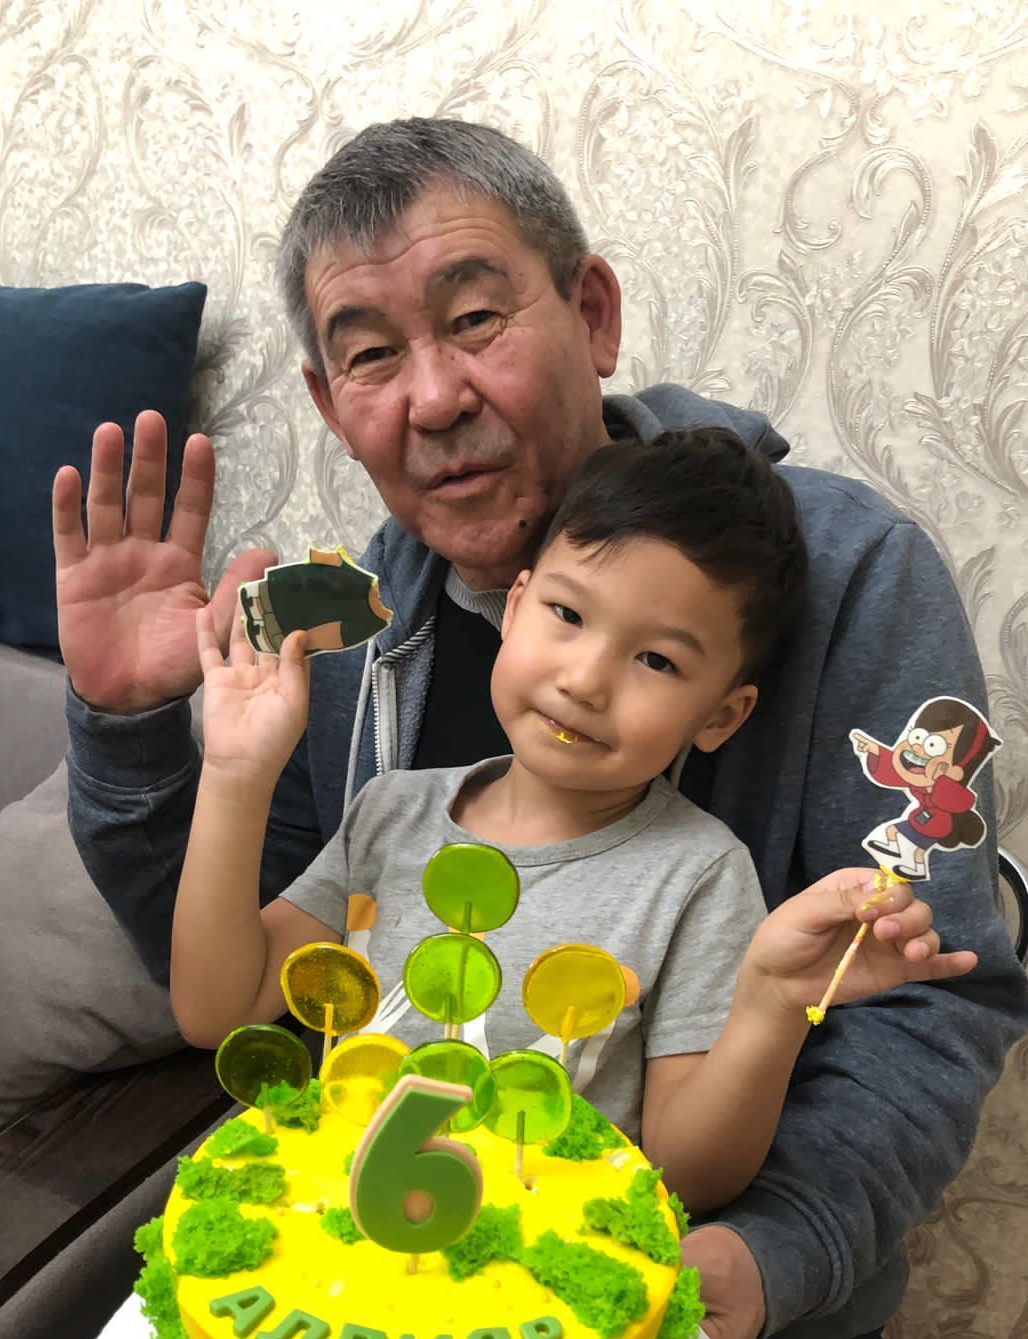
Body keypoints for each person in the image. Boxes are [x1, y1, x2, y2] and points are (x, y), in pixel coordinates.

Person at [0, 118, 1028, 1339]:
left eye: (474, 319)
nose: (434, 398)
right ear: (329, 403)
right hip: (386, 1286)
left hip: (706, 1284)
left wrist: (779, 1251)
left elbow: (931, 994)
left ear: (589, 313)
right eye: (370, 354)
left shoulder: (844, 579)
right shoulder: (346, 621)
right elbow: (234, 972)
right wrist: (144, 731)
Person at [174, 429, 976, 1218]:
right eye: (566, 613)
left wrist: (773, 1005)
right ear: (515, 604)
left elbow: (687, 1175)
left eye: (657, 660)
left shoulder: (698, 875)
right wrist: (235, 777)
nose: (586, 680)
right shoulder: (389, 814)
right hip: (339, 1261)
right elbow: (218, 1009)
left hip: (534, 1282)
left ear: (721, 716)